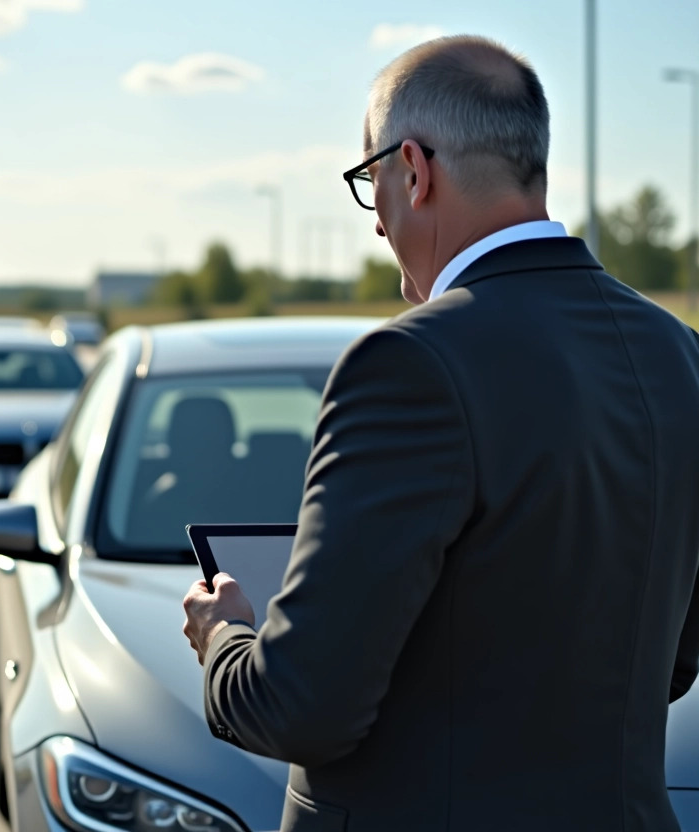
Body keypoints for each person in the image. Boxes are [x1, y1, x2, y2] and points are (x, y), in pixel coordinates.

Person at [183, 35, 699, 832]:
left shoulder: (408, 363)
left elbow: (300, 709)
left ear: (414, 171)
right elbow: (672, 657)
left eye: (370, 182)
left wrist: (227, 638)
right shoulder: (676, 351)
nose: (378, 224)